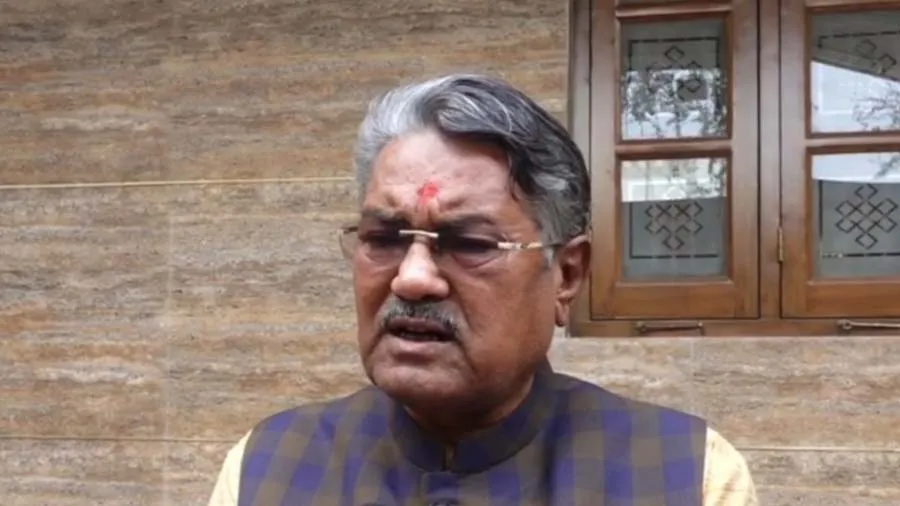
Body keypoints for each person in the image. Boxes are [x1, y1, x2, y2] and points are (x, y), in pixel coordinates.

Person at [207, 74, 757, 506]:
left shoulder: (684, 475)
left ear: (567, 275)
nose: (412, 277)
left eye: (470, 244)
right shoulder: (268, 468)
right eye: (384, 238)